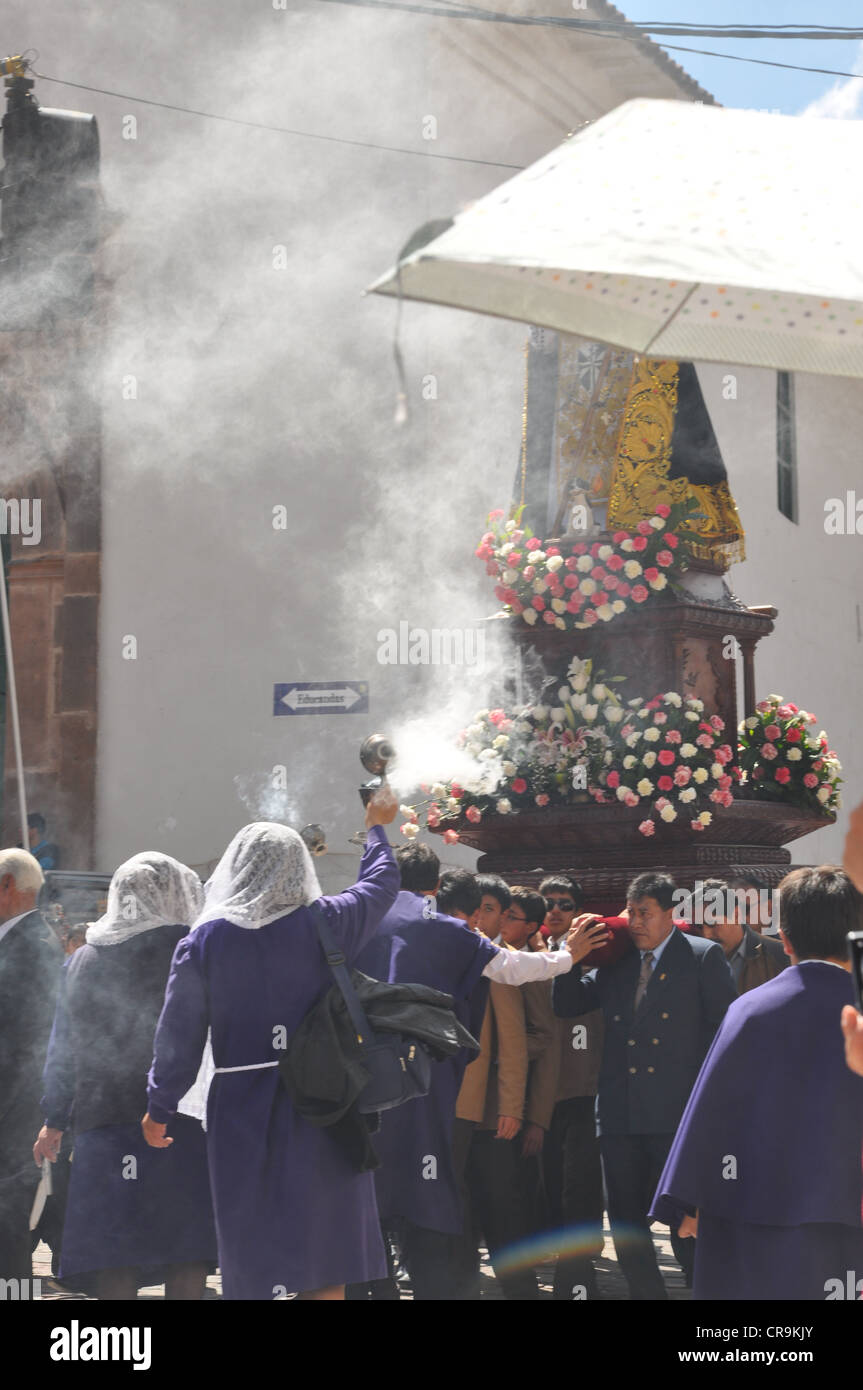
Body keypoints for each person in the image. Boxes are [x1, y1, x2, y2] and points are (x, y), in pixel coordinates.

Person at [144, 787, 401, 1301]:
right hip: (326, 1100)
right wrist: (375, 827)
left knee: (253, 1246)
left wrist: (159, 1106)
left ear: (237, 867)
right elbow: (382, 882)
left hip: (242, 1107)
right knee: (326, 1251)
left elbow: (179, 1032)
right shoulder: (327, 920)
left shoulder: (205, 940)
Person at [350, 851, 582, 1300]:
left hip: (358, 1083)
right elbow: (512, 968)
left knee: (367, 1198)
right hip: (423, 1085)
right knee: (426, 1198)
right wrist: (568, 957)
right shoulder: (446, 930)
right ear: (435, 888)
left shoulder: (354, 916)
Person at [652, 866, 863, 1300]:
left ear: (783, 938)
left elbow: (711, 1110)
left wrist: (687, 1198)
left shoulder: (750, 1010)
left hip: (753, 1206)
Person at [33, 852, 216, 1299]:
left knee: (114, 1255)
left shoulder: (83, 960)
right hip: (180, 1121)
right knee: (185, 1251)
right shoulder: (194, 950)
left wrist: (54, 1120)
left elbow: (63, 1050)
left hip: (103, 1125)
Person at [554, 870, 736, 1300]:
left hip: (676, 1116)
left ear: (671, 914)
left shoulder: (701, 956)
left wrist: (714, 1110)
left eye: (645, 913)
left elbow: (722, 1034)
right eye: (631, 912)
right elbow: (567, 1005)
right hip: (619, 1113)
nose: (635, 922)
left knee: (684, 1221)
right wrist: (570, 959)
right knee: (626, 1225)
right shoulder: (616, 961)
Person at [538, 876, 605, 1300]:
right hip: (542, 1092)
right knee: (549, 1185)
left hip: (587, 1088)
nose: (557, 910)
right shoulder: (528, 956)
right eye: (549, 904)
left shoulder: (603, 956)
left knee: (579, 1186)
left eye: (565, 903)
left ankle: (577, 1282)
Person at [0, 849, 61, 1284]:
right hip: (15, 1115)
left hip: (14, 1119)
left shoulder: (33, 947)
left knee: (11, 1241)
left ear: (7, 886)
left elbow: (27, 1044)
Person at [699, 878, 787, 994]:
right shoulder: (692, 957)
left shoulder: (778, 955)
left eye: (712, 924)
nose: (707, 934)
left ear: (735, 915)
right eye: (699, 926)